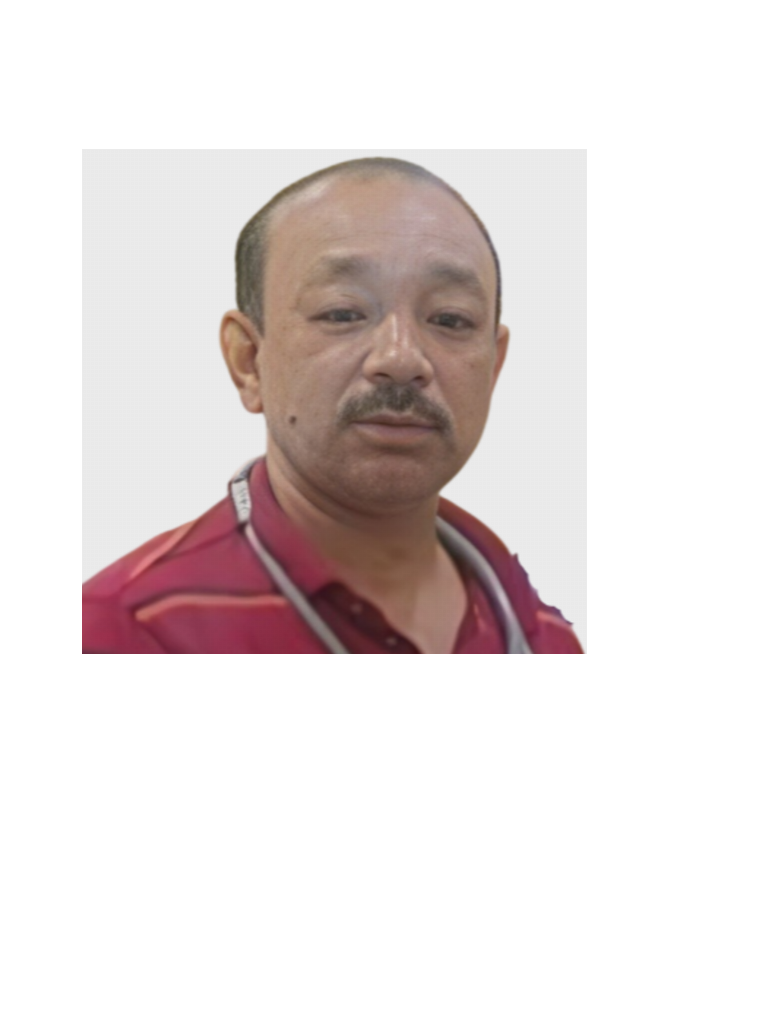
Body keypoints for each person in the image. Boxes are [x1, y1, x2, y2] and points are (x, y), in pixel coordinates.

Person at [82, 158, 583, 655]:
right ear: (248, 360)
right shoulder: (126, 629)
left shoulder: (540, 633)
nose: (401, 358)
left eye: (450, 320)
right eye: (343, 313)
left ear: (493, 368)